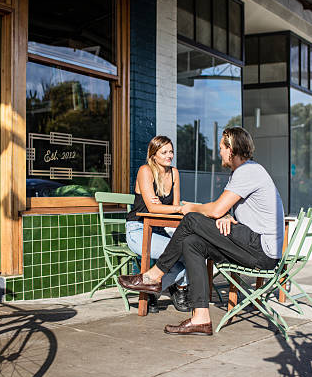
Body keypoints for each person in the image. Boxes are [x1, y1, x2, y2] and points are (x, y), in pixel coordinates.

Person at [118, 126, 284, 335]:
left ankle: (153, 276)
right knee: (192, 243)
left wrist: (194, 208)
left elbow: (215, 208)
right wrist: (225, 215)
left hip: (261, 249)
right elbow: (225, 210)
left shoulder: (248, 171)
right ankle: (201, 318)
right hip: (250, 244)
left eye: (222, 148)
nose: (220, 152)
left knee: (190, 219)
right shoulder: (240, 173)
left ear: (231, 149)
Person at [125, 135, 190, 313]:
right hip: (138, 230)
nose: (169, 155)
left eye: (171, 151)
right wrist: (165, 207)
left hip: (160, 229)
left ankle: (151, 291)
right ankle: (179, 289)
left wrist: (166, 208)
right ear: (153, 155)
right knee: (185, 255)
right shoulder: (145, 171)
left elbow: (174, 207)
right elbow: (154, 208)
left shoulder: (174, 173)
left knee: (193, 252)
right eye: (164, 152)